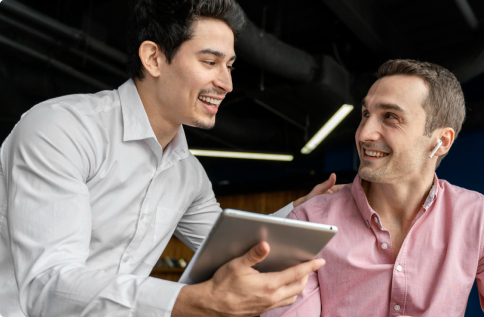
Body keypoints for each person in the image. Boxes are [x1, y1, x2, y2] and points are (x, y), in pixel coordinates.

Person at [0, 1, 339, 316]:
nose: (227, 83)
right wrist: (192, 302)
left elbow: (233, 243)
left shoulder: (188, 175)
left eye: (229, 66)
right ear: (154, 58)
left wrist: (298, 209)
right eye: (210, 62)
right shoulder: (62, 129)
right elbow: (47, 285)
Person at [262, 59, 484, 317]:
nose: (364, 134)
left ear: (441, 142)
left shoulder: (478, 217)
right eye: (365, 114)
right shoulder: (309, 220)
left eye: (390, 117)